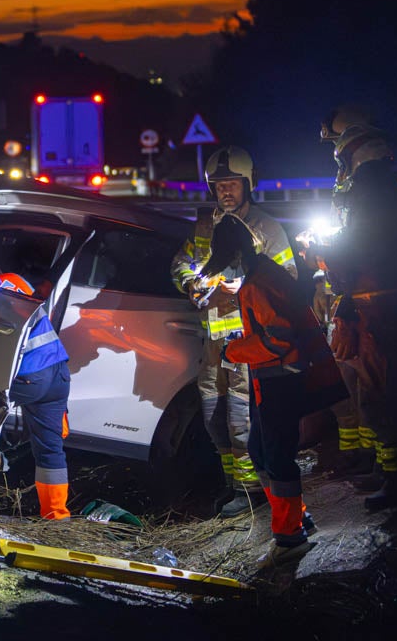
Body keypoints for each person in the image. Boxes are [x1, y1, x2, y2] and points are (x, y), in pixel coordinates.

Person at [170, 145, 297, 518]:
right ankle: (233, 486)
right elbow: (180, 264)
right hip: (212, 343)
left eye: (232, 184)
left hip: (247, 342)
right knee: (213, 419)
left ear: (248, 185)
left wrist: (240, 288)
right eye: (219, 185)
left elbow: (286, 281)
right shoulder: (205, 228)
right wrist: (190, 285)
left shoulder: (266, 229)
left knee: (241, 420)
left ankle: (250, 491)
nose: (226, 191)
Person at [309, 107, 397, 510]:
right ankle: (381, 464)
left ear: (351, 151)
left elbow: (359, 246)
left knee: (382, 392)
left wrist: (324, 253)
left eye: (338, 152)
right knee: (367, 389)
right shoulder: (376, 186)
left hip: (377, 304)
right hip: (369, 300)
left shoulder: (371, 189)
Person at [211, 214, 333, 569]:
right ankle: (296, 518)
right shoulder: (264, 274)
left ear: (234, 254)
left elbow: (277, 339)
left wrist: (234, 350)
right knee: (260, 452)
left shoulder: (257, 284)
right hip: (276, 377)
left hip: (280, 378)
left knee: (276, 458)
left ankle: (290, 537)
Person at [0, 272, 72, 520]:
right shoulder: (19, 281)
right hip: (58, 371)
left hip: (29, 374)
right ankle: (56, 516)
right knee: (50, 448)